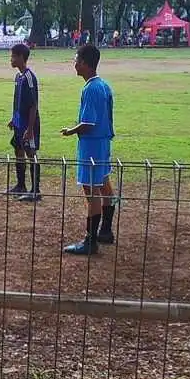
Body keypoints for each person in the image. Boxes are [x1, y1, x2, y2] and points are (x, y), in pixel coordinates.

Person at [60, 45, 116, 255]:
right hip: (103, 142)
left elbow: (88, 123)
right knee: (104, 184)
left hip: (91, 144)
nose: (74, 64)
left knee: (90, 190)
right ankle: (106, 230)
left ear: (84, 63)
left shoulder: (90, 89)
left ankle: (90, 240)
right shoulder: (104, 85)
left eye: (76, 60)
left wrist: (70, 131)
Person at [6, 43, 41, 201]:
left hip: (28, 124)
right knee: (18, 150)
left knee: (31, 153)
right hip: (19, 123)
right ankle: (21, 185)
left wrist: (30, 128)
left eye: (13, 56)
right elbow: (17, 101)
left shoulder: (29, 77)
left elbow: (33, 105)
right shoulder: (18, 77)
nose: (11, 59)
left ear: (21, 57)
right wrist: (14, 119)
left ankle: (36, 190)